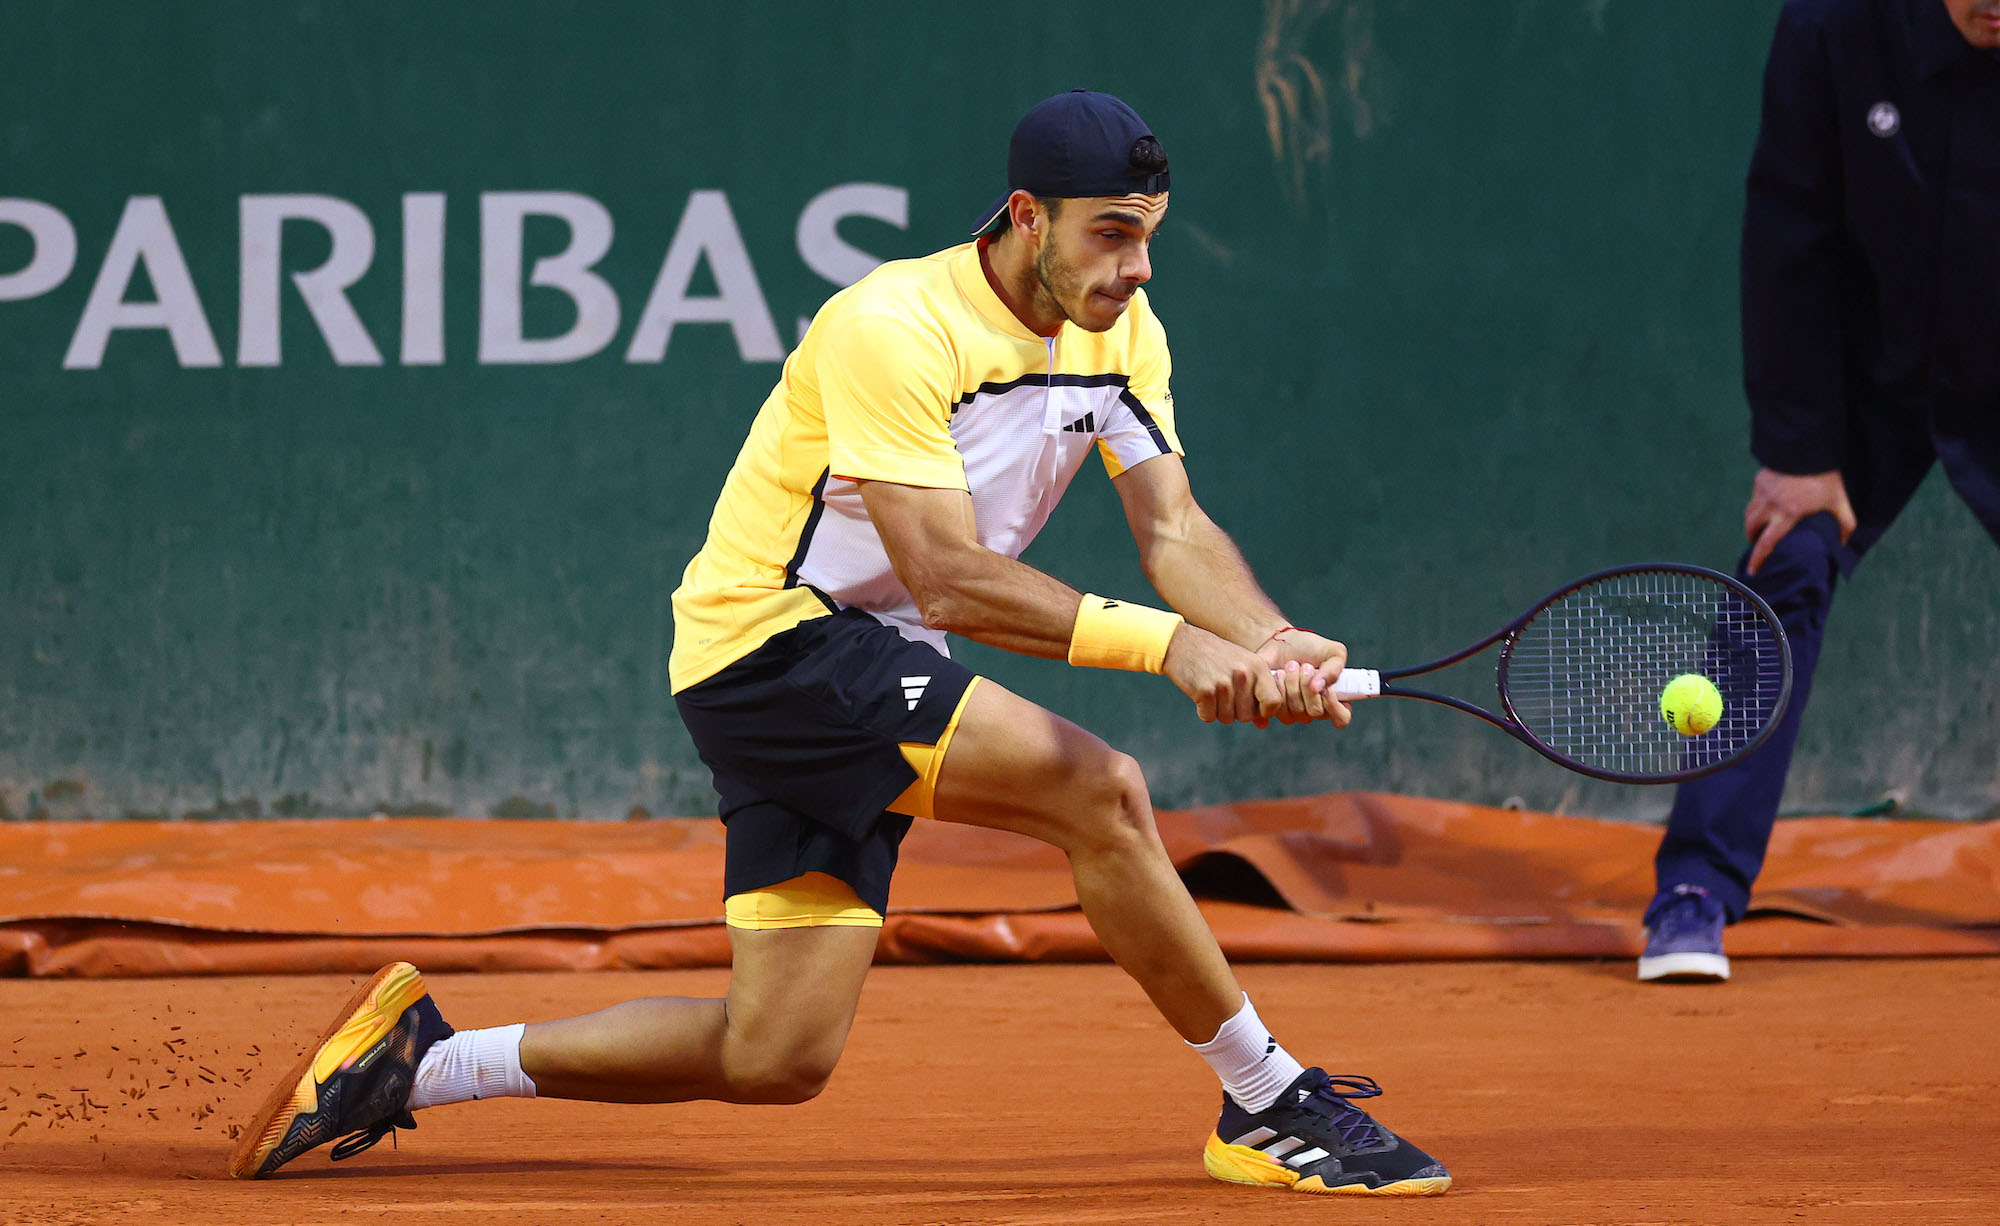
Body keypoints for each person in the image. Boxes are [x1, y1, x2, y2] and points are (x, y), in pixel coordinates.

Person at [230, 90, 1451, 1196]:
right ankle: (1268, 1097)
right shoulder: (896, 323)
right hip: (778, 643)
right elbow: (949, 577)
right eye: (1107, 234)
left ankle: (420, 1063)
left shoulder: (1123, 332)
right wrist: (1173, 649)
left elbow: (1174, 526)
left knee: (774, 1054)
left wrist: (1268, 633)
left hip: (855, 663)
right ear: (1027, 216)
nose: (1133, 265)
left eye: (1146, 233)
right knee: (1101, 792)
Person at [1639, 0, 2000, 983]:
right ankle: (1693, 888)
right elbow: (1786, 230)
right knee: (1783, 561)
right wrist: (1797, 449)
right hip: (1864, 380)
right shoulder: (1831, 27)